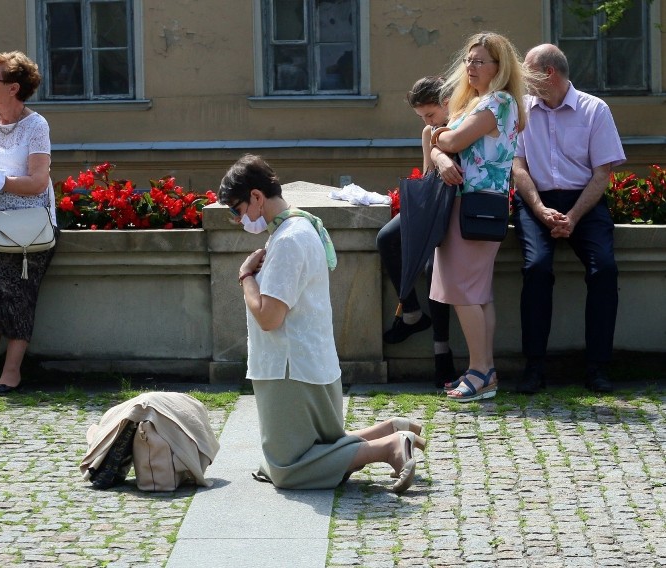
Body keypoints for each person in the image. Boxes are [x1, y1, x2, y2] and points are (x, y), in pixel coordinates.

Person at [219, 154, 425, 492]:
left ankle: (387, 447)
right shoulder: (301, 227)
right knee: (301, 452)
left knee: (288, 468)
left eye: (237, 210)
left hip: (290, 369)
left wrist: (245, 277)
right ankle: (388, 430)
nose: (239, 219)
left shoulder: (287, 239)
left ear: (256, 197)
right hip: (307, 364)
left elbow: (270, 318)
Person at [511, 44, 625, 394]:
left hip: (584, 203)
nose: (523, 81)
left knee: (604, 268)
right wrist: (541, 209)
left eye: (528, 73)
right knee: (536, 268)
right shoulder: (521, 111)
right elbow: (518, 167)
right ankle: (534, 368)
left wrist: (573, 216)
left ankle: (597, 368)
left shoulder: (595, 110)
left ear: (550, 74)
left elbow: (602, 174)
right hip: (536, 199)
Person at [429, 32, 528, 402]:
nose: (470, 67)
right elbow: (439, 144)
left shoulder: (498, 101)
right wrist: (439, 146)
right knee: (477, 293)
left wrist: (439, 139)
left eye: (479, 61)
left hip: (473, 204)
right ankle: (483, 370)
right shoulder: (482, 102)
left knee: (463, 291)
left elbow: (450, 142)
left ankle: (480, 370)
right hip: (480, 203)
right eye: (469, 60)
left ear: (499, 68)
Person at [0, 51, 58, 396]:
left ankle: (11, 372)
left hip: (29, 226)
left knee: (19, 296)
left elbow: (37, 182)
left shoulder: (36, 126)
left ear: (13, 88)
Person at [376, 76, 455, 388]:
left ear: (447, 102)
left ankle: (442, 353)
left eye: (431, 115)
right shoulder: (429, 131)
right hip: (434, 203)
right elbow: (427, 175)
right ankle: (410, 312)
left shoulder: (463, 124)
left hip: (457, 206)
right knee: (386, 239)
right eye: (421, 117)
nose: (427, 122)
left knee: (433, 266)